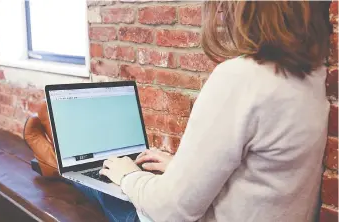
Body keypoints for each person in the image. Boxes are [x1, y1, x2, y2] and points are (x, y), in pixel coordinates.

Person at [24, 1, 331, 221]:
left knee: (103, 184)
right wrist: (180, 168)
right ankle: (61, 164)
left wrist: (129, 176)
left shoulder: (241, 77)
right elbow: (259, 179)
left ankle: (56, 165)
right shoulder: (313, 79)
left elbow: (172, 212)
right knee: (111, 171)